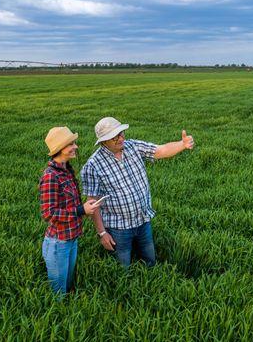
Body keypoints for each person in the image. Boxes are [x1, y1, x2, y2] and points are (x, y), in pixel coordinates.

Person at [80, 117, 194, 268]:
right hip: (118, 228)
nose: (121, 138)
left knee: (150, 261)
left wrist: (182, 144)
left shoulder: (132, 146)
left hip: (142, 220)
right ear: (103, 141)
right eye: (115, 137)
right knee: (122, 267)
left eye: (121, 133)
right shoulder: (93, 166)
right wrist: (102, 233)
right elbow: (93, 204)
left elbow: (161, 150)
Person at [39, 126, 99, 295]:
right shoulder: (51, 176)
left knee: (67, 284)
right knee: (58, 291)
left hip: (72, 238)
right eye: (71, 144)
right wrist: (81, 210)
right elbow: (48, 213)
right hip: (58, 243)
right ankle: (59, 315)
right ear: (60, 148)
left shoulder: (66, 170)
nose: (76, 146)